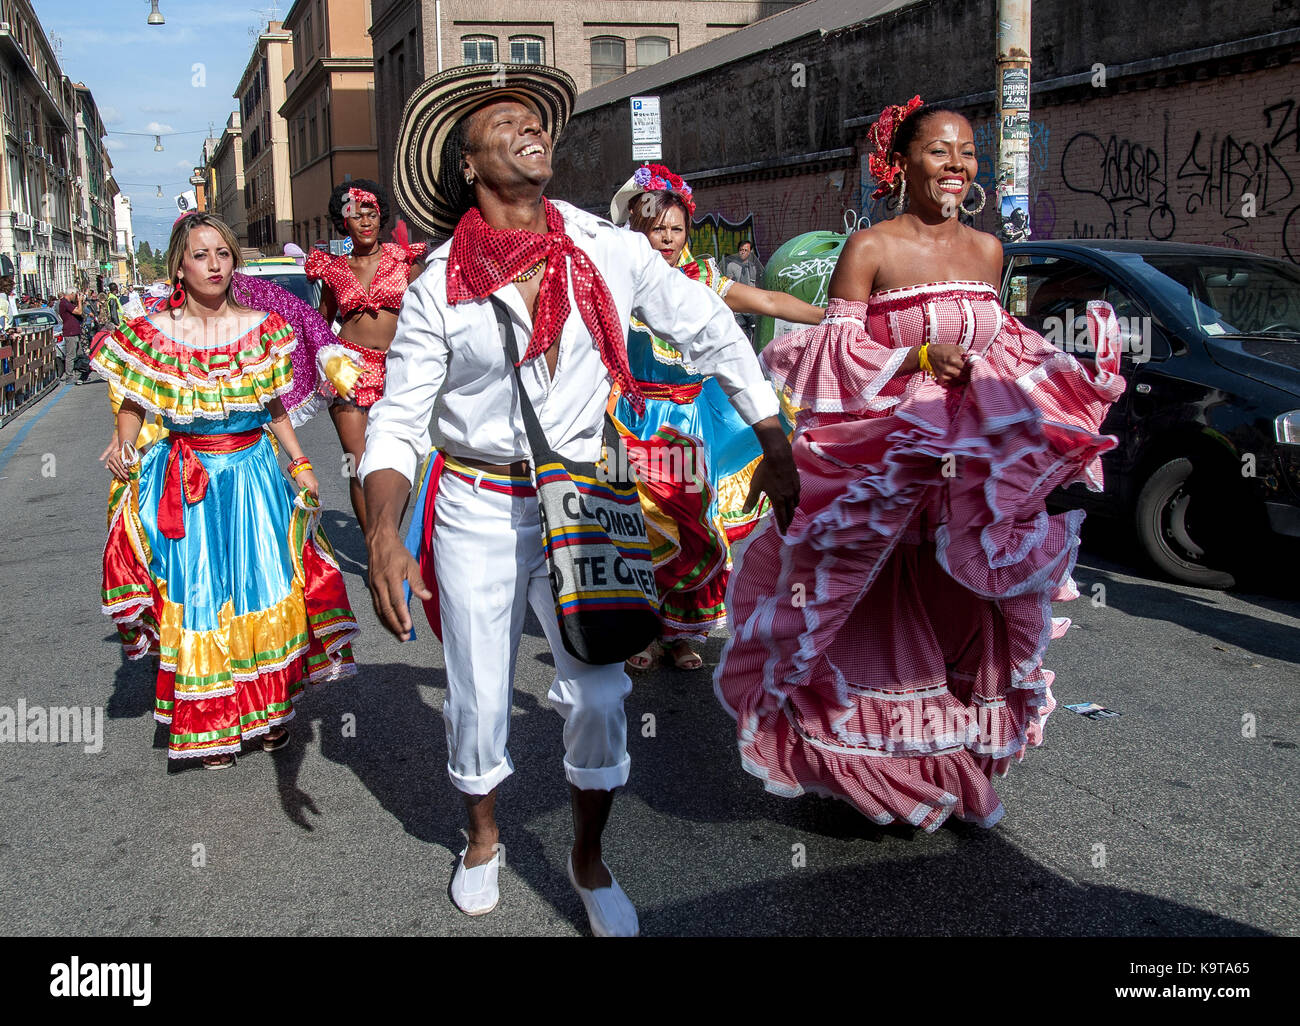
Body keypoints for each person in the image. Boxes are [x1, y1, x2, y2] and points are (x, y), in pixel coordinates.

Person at [361, 64, 798, 934]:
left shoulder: (608, 247)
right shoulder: (439, 284)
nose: (532, 128)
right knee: (480, 696)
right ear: (467, 165)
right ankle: (482, 837)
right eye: (506, 123)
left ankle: (588, 858)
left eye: (537, 119)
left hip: (587, 498)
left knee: (599, 696)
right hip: (477, 506)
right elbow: (399, 422)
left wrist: (776, 441)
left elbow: (712, 330)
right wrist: (382, 531)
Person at [713, 98, 1125, 831]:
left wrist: (1059, 390)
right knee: (872, 601)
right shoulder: (870, 248)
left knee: (967, 602)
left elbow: (1005, 347)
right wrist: (918, 356)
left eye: (967, 152)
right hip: (889, 464)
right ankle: (871, 769)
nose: (957, 165)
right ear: (899, 162)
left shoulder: (990, 251)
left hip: (966, 472)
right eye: (939, 151)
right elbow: (832, 359)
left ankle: (949, 759)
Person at [93, 212, 360, 770]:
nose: (214, 265)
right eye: (201, 255)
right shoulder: (151, 333)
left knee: (264, 585)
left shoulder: (262, 326)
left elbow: (272, 406)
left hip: (253, 476)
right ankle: (213, 719)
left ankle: (269, 713)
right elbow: (135, 401)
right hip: (184, 479)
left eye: (223, 254)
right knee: (200, 595)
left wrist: (302, 460)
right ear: (179, 266)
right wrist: (124, 444)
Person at [607, 165, 822, 671]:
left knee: (698, 529)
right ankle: (639, 630)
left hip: (694, 421)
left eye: (675, 228)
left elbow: (768, 300)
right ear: (635, 227)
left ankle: (681, 635)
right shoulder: (615, 278)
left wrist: (837, 315)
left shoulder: (701, 277)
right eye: (655, 226)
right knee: (637, 528)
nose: (665, 236)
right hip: (633, 420)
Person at [305, 179, 427, 532]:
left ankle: (387, 534)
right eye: (356, 216)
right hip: (350, 370)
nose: (365, 221)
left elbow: (427, 315)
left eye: (371, 213)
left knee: (393, 462)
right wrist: (324, 364)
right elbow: (320, 324)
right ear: (344, 223)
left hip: (398, 370)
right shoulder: (333, 270)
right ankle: (376, 544)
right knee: (356, 463)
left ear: (381, 217)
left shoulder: (405, 261)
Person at [723, 240, 764, 340]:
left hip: (752, 304)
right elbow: (728, 283)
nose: (743, 252)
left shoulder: (754, 266)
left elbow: (759, 283)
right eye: (741, 250)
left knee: (755, 331)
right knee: (741, 332)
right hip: (739, 305)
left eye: (746, 250)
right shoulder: (732, 266)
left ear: (750, 252)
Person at [57, 288, 84, 381]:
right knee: (71, 355)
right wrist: (79, 301)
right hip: (70, 332)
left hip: (75, 331)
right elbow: (79, 311)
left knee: (78, 354)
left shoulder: (69, 303)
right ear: (71, 294)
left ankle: (78, 372)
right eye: (75, 295)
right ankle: (69, 375)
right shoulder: (65, 303)